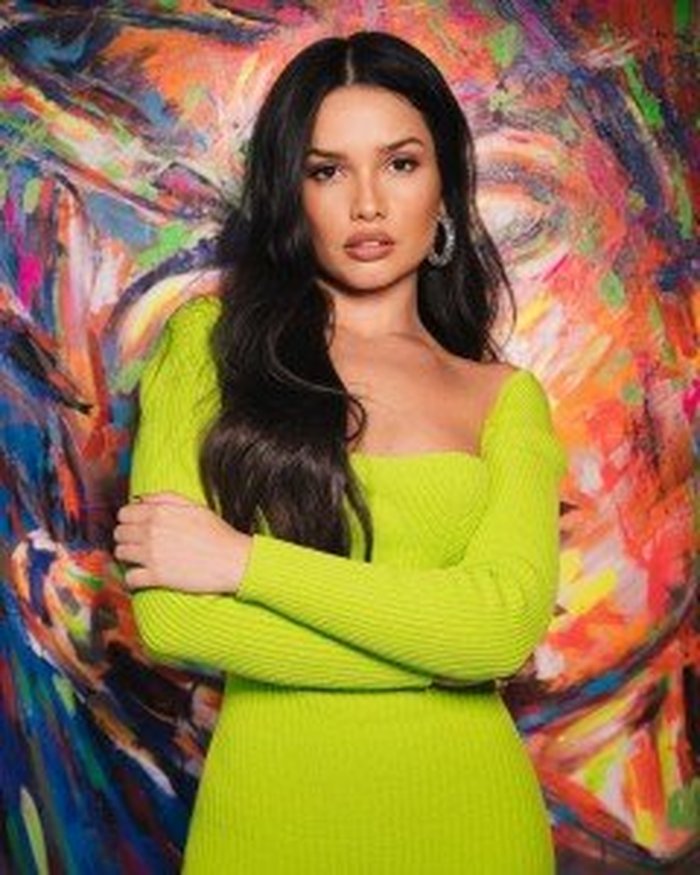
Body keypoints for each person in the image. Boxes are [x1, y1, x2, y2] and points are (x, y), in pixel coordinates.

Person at [114, 30, 567, 874]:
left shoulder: (505, 398)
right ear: (292, 192)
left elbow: (503, 629)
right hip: (267, 821)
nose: (367, 203)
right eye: (327, 170)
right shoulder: (209, 347)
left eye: (400, 164)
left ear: (445, 184)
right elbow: (175, 619)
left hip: (470, 825)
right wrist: (439, 656)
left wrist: (244, 562)